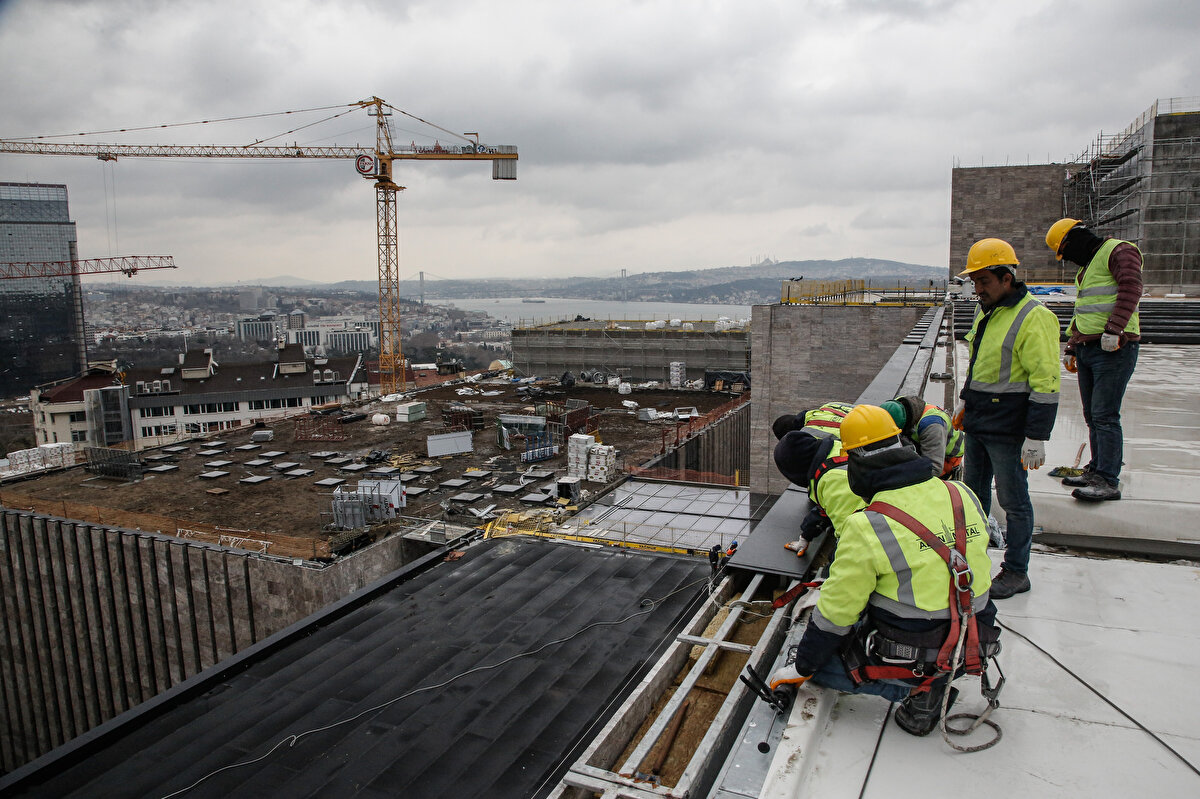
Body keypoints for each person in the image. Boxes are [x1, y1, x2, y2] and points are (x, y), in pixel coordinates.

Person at [768, 404, 1000, 736]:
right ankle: (935, 678)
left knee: (822, 668)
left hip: (921, 651)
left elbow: (835, 617)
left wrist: (801, 666)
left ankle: (922, 693)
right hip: (976, 640)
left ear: (856, 464)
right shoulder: (961, 493)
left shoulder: (868, 526)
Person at [958, 238, 1060, 599]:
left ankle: (1016, 571)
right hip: (979, 420)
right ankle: (971, 561)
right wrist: (966, 401)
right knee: (972, 497)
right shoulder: (986, 311)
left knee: (1013, 502)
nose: (978, 289)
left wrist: (1037, 435)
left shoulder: (1034, 316)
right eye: (975, 282)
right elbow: (979, 364)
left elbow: (1046, 381)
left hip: (1008, 426)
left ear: (1007, 278)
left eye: (984, 281)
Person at [1045, 218, 1142, 502]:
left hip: (1113, 348)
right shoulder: (1087, 268)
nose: (1067, 260)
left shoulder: (1119, 251)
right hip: (1089, 347)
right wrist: (1073, 345)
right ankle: (1096, 469)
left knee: (1105, 415)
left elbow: (1131, 288)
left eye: (1065, 252)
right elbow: (1084, 310)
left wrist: (1114, 329)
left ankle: (1107, 479)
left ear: (1074, 240)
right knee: (1092, 415)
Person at [773, 428, 866, 556]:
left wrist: (830, 568)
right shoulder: (836, 450)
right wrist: (805, 536)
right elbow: (824, 509)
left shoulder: (832, 480)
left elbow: (851, 540)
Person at [881, 396, 964, 478]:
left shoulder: (932, 426)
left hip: (946, 460)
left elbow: (934, 468)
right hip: (924, 443)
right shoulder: (895, 407)